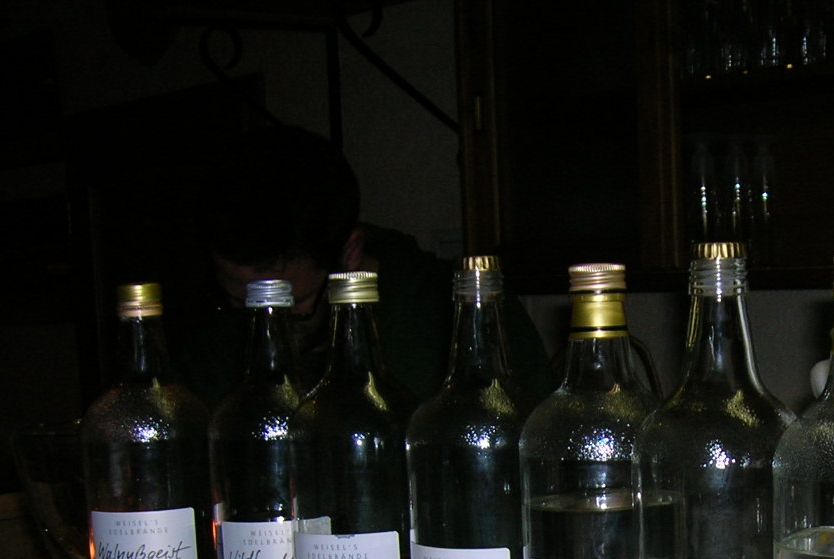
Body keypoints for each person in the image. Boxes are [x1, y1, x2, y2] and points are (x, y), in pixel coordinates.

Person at [173, 124, 554, 408]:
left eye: (290, 306)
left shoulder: (466, 313)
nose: (262, 325)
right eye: (240, 303)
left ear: (350, 252)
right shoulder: (217, 342)